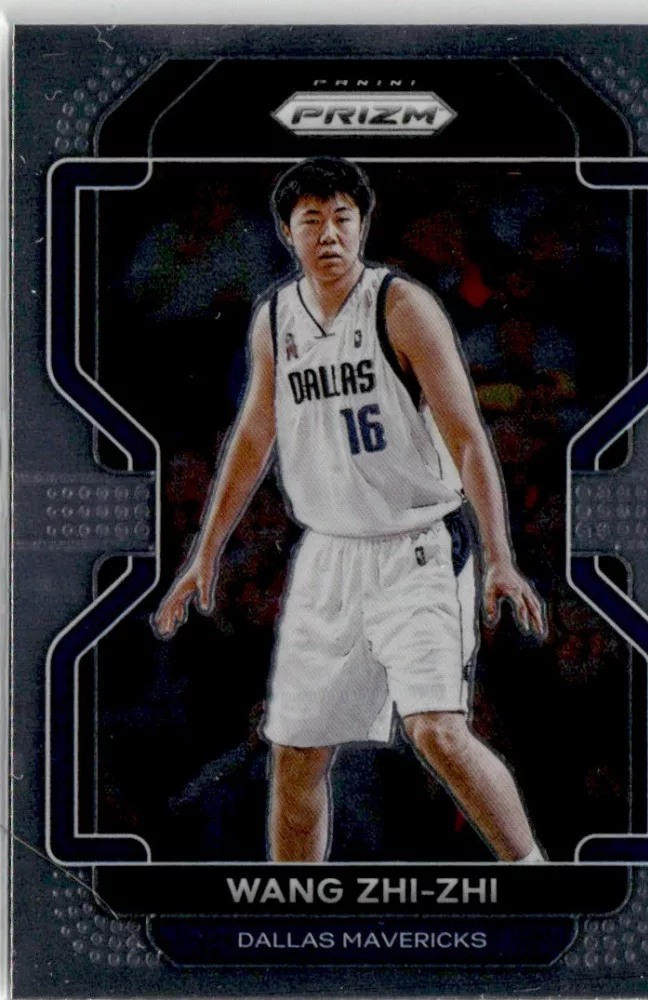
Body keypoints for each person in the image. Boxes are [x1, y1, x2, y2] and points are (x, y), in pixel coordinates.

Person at [154, 157, 547, 864]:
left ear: (363, 224)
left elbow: (466, 436)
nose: (329, 233)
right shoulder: (276, 317)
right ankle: (294, 911)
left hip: (418, 543)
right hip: (328, 553)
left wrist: (501, 558)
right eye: (312, 220)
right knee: (295, 756)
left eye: (342, 217)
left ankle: (536, 879)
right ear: (287, 232)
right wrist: (203, 554)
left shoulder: (401, 306)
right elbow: (254, 435)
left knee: (436, 731)